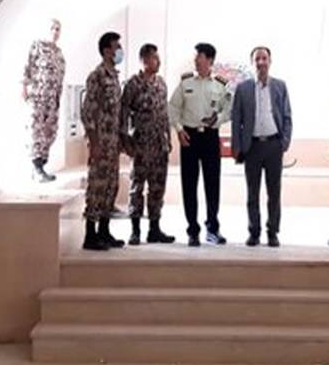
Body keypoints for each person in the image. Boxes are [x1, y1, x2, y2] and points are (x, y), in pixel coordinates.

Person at [168, 42, 232, 246]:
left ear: (209, 60)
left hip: (210, 137)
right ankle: (192, 230)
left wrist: (218, 119)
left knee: (212, 184)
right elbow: (172, 108)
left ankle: (212, 228)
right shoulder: (186, 83)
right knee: (189, 185)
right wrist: (179, 130)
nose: (195, 60)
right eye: (195, 57)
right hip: (189, 138)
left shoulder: (220, 85)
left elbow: (228, 109)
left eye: (199, 57)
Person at [231, 46, 293, 247]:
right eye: (257, 59)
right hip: (253, 147)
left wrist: (284, 142)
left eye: (264, 58)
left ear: (270, 61)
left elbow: (287, 116)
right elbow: (236, 119)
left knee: (274, 192)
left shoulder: (280, 86)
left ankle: (272, 232)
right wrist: (237, 147)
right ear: (252, 63)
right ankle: (254, 231)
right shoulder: (243, 89)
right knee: (252, 192)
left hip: (274, 145)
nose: (261, 62)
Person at [119, 44, 176, 245]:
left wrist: (168, 138)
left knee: (157, 187)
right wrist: (125, 141)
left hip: (160, 145)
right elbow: (123, 114)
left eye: (158, 58)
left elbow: (165, 114)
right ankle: (135, 230)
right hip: (141, 144)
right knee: (137, 187)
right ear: (144, 60)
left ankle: (154, 229)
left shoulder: (161, 84)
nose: (158, 62)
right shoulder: (132, 85)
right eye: (154, 58)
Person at [80, 31, 125, 251]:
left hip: (113, 142)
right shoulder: (97, 76)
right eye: (117, 47)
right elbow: (88, 111)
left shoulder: (114, 76)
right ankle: (90, 234)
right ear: (107, 50)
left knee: (110, 187)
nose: (120, 51)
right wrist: (95, 143)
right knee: (96, 187)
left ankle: (104, 231)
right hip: (101, 142)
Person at [21, 19, 65, 182]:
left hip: (53, 100)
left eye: (58, 29)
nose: (55, 32)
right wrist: (24, 87)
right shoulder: (37, 46)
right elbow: (27, 66)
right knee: (36, 131)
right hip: (38, 97)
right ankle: (36, 167)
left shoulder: (59, 53)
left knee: (50, 132)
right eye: (52, 28)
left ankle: (42, 165)